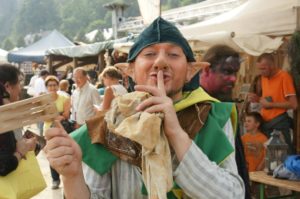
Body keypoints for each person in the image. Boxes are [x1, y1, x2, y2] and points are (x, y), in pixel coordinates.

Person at [44, 17, 244, 199]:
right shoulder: (107, 127)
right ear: (129, 70)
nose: (161, 62)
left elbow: (233, 195)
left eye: (173, 54)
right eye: (149, 54)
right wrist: (72, 177)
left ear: (191, 70)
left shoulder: (212, 117)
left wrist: (175, 132)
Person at [185, 44, 251, 199]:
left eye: (235, 72)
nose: (233, 79)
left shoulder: (222, 105)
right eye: (227, 72)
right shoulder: (192, 107)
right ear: (206, 70)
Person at [248, 53, 298, 153]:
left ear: (272, 65)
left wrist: (270, 105)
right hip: (265, 123)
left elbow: (294, 104)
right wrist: (257, 99)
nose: (261, 72)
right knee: (269, 157)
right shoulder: (263, 78)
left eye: (263, 69)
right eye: (259, 69)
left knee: (284, 155)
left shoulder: (284, 77)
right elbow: (269, 99)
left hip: (279, 123)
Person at [0, 63, 36, 176]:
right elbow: (3, 165)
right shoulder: (4, 117)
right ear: (7, 87)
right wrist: (20, 152)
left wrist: (28, 144)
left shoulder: (9, 113)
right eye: (19, 83)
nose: (20, 88)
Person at [43, 75, 71, 189]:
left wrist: (52, 115)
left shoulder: (64, 99)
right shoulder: (43, 100)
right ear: (47, 87)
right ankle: (55, 179)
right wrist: (57, 115)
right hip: (48, 130)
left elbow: (66, 115)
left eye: (54, 85)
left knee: (64, 153)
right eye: (50, 85)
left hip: (61, 130)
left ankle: (67, 178)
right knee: (52, 155)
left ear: (58, 86)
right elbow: (44, 117)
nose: (52, 87)